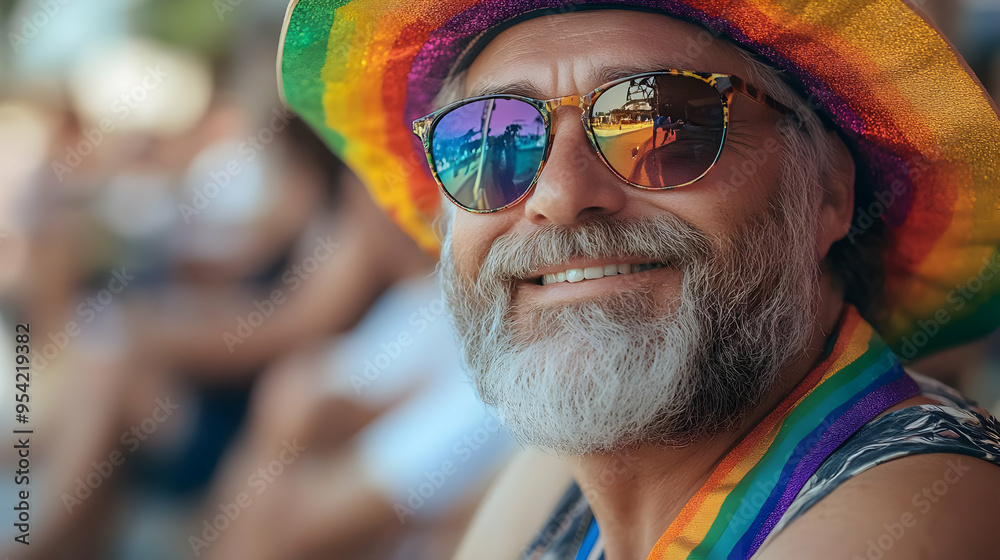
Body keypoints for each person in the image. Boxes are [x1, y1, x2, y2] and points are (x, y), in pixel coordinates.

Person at [277, 1, 1000, 559]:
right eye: (491, 139)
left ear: (830, 195)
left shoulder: (925, 508)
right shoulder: (569, 471)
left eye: (663, 121)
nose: (557, 194)